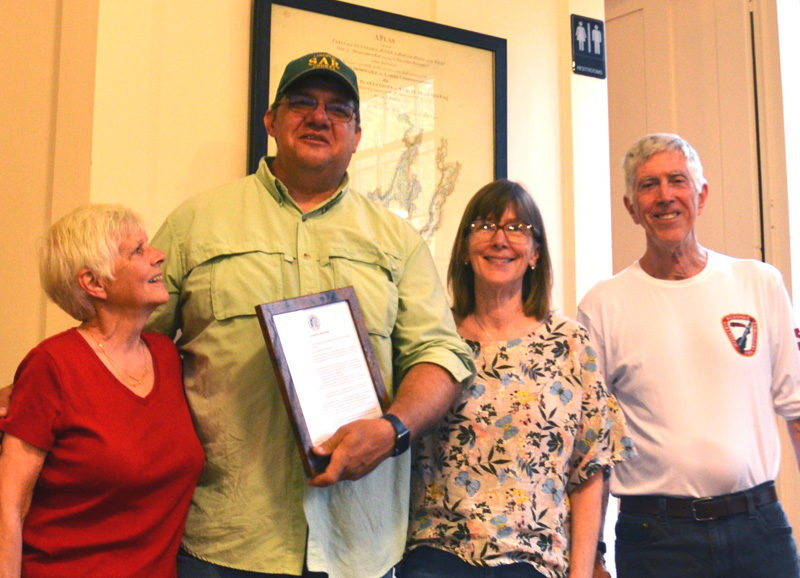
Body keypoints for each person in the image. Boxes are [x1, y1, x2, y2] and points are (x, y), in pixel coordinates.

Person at [144, 52, 475, 577]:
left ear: (357, 134)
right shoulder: (195, 224)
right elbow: (130, 341)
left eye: (338, 109)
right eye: (301, 102)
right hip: (226, 540)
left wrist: (392, 430)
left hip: (358, 545)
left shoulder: (397, 240)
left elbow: (441, 354)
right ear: (271, 121)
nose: (319, 117)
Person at [577, 133, 800, 578]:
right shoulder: (602, 305)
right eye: (648, 185)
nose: (664, 196)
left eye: (676, 181)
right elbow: (592, 445)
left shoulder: (760, 283)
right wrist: (593, 556)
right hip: (656, 538)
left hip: (759, 528)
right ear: (631, 208)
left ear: (701, 195)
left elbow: (797, 411)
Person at [403, 180, 632, 578]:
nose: (500, 239)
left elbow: (590, 469)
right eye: (485, 226)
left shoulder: (570, 344)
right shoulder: (434, 340)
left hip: (532, 562)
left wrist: (581, 572)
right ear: (464, 249)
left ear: (535, 254)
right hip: (435, 556)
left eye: (517, 228)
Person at [0, 204, 204, 577]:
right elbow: (9, 505)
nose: (159, 255)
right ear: (94, 283)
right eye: (138, 250)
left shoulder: (166, 356)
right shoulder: (52, 366)